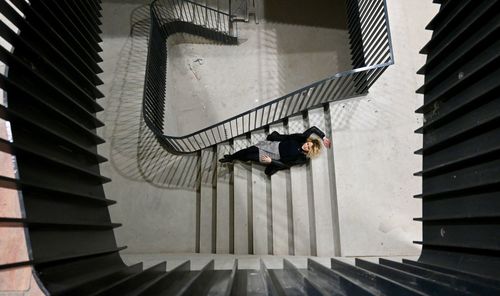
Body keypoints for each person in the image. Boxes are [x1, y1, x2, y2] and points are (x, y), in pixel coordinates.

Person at [219, 126, 332, 176]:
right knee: (248, 150)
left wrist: (271, 161)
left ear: (309, 152)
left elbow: (285, 164)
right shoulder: (300, 139)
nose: (306, 146)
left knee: (250, 157)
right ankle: (231, 157)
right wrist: (323, 137)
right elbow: (312, 129)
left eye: (308, 147)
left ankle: (235, 158)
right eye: (308, 144)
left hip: (274, 156)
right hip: (273, 145)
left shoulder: (301, 158)